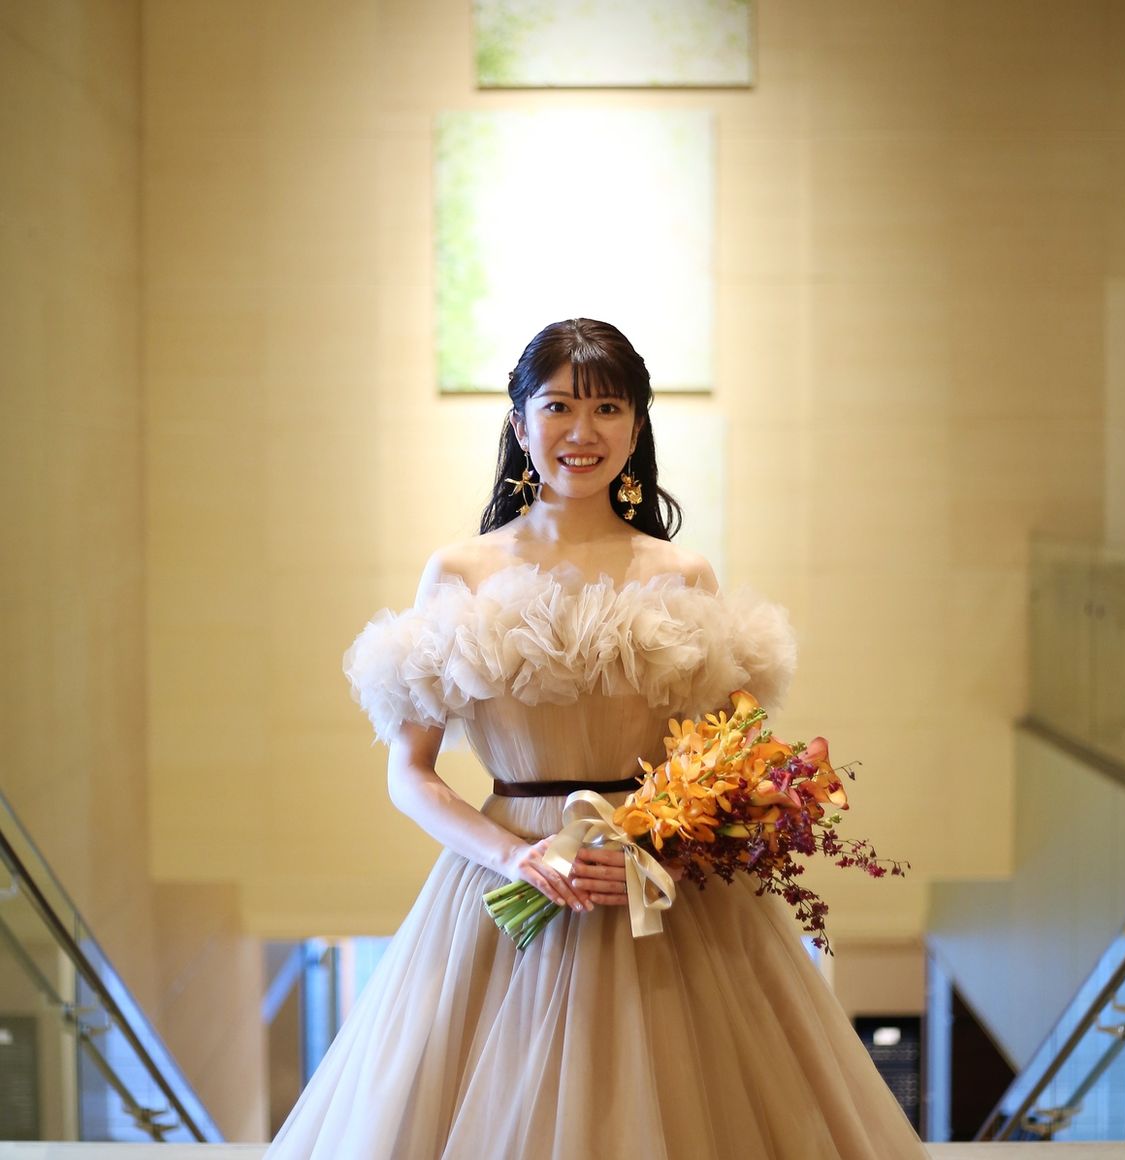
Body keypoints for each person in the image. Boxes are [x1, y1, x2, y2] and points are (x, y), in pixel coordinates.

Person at [267, 319, 928, 1158]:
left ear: (637, 426)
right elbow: (411, 774)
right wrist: (514, 859)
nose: (583, 432)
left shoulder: (682, 574)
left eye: (607, 409)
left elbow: (730, 760)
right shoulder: (460, 573)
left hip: (661, 887)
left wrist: (687, 838)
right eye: (559, 407)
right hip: (507, 885)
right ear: (520, 425)